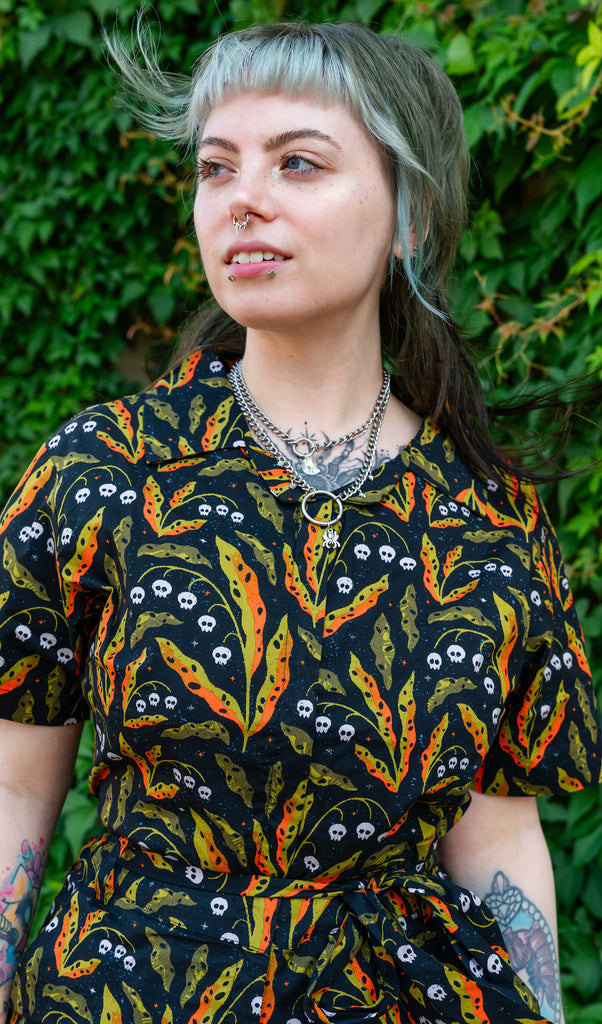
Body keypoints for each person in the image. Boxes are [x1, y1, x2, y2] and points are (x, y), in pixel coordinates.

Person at [0, 17, 600, 1024]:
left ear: (410, 215)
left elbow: (497, 841)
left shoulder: (490, 522)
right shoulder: (103, 473)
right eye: (216, 167)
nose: (242, 197)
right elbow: (14, 795)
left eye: (298, 162)